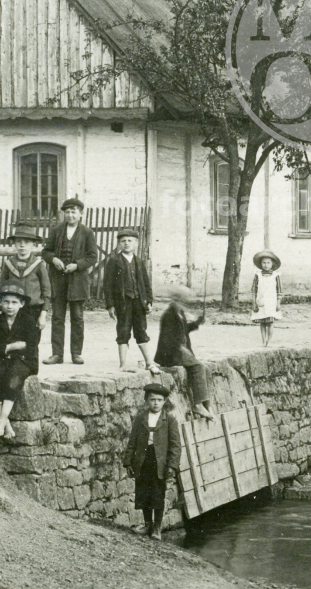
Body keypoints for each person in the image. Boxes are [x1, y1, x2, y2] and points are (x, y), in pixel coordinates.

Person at [0, 284, 43, 439]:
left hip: (24, 360)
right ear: (0, 303)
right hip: (0, 358)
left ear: (21, 304)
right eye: (6, 302)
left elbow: (30, 346)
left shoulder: (28, 321)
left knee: (13, 380)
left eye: (14, 302)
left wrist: (8, 349)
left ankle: (2, 419)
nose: (10, 306)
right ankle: (5, 422)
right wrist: (11, 346)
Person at [43, 198, 98, 365]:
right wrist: (53, 260)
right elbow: (46, 252)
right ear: (63, 214)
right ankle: (57, 354)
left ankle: (76, 354)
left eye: (74, 212)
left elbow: (92, 257)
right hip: (58, 281)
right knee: (57, 318)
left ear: (81, 214)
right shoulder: (56, 230)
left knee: (77, 318)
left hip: (77, 281)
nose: (70, 215)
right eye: (67, 212)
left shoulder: (87, 233)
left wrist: (77, 265)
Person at [125, 383, 182, 540]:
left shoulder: (169, 420)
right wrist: (128, 462)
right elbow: (132, 441)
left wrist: (172, 466)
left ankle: (157, 527)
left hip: (160, 462)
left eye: (159, 400)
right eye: (152, 400)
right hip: (143, 460)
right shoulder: (140, 418)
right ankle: (148, 524)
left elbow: (175, 446)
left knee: (157, 494)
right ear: (146, 401)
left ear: (164, 402)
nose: (155, 403)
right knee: (143, 493)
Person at [154, 286, 215, 420]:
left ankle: (206, 403)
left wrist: (196, 323)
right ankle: (198, 405)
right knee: (198, 367)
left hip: (180, 351)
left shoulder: (179, 312)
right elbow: (167, 339)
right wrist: (183, 350)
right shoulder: (169, 315)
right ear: (176, 299)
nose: (183, 304)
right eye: (182, 301)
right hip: (171, 354)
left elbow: (184, 330)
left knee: (205, 369)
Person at [102, 229, 156, 374]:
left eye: (129, 241)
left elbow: (146, 283)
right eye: (123, 241)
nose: (126, 243)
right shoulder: (114, 261)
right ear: (119, 244)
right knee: (123, 331)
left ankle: (149, 362)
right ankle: (123, 364)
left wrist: (149, 301)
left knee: (141, 331)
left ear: (136, 243)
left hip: (139, 302)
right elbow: (107, 286)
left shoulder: (139, 262)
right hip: (123, 303)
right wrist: (110, 305)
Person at [0, 223, 52, 321]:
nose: (22, 245)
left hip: (34, 310)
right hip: (13, 310)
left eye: (26, 242)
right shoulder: (8, 264)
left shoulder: (38, 264)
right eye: (18, 241)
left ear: (33, 244)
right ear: (14, 243)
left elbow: (46, 291)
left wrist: (43, 314)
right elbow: (1, 287)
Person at [250, 250, 281, 347]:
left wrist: (278, 303)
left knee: (270, 322)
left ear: (272, 264)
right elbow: (254, 290)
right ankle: (263, 341)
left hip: (272, 302)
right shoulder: (257, 275)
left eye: (268, 263)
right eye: (264, 262)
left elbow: (279, 290)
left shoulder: (276, 276)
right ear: (260, 264)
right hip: (261, 301)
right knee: (262, 322)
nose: (266, 265)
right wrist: (254, 303)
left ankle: (269, 341)